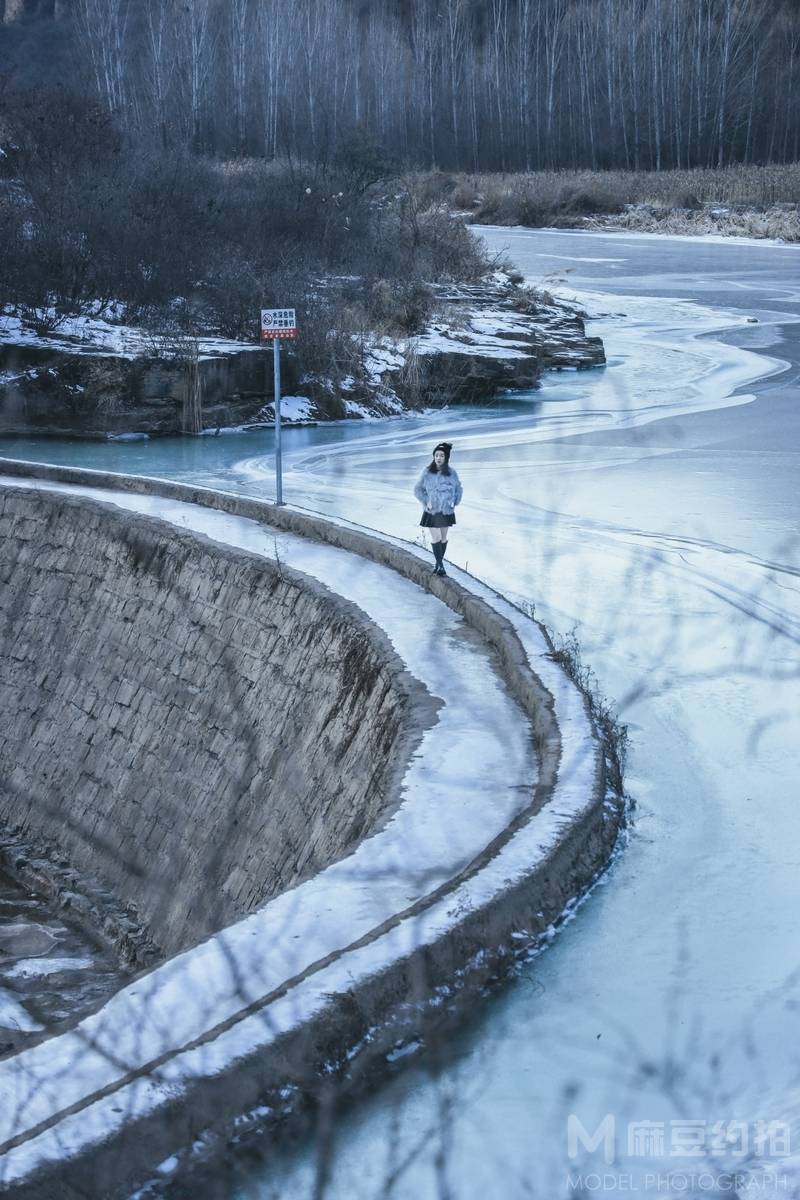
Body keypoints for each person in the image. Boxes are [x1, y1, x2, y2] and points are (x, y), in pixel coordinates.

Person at [413, 441, 462, 576]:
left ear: (446, 458)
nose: (439, 458)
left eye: (441, 455)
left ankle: (438, 564)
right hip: (432, 511)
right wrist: (426, 500)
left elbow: (458, 489)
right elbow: (417, 489)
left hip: (446, 510)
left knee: (443, 538)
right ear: (433, 457)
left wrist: (454, 501)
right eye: (436, 455)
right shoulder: (427, 472)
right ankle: (440, 564)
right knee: (437, 537)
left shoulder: (452, 473)